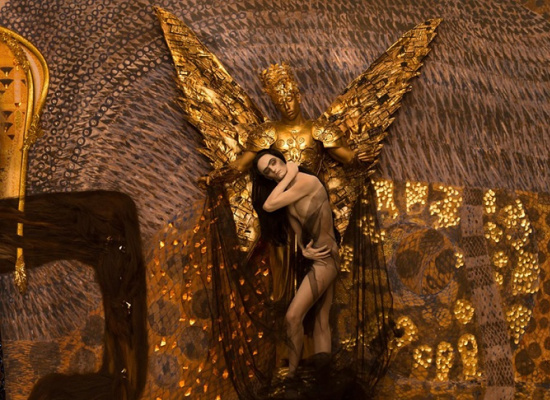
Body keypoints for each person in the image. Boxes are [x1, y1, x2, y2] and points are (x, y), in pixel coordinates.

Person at [251, 148, 340, 378]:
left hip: (327, 259)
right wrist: (304, 250)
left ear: (281, 159)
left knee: (293, 317)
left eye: (273, 162)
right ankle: (323, 380)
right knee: (321, 319)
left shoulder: (306, 182)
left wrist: (291, 172)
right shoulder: (289, 194)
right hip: (319, 258)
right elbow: (300, 235)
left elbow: (269, 205)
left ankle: (292, 377)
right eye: (267, 171)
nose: (273, 170)